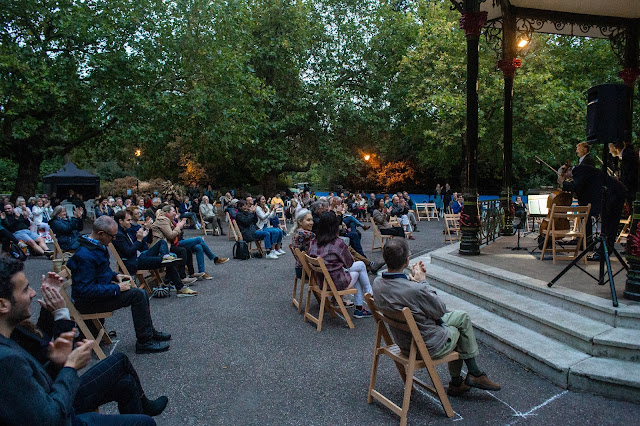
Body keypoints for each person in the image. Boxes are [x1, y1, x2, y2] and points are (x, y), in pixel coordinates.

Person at [0, 257, 162, 424]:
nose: (33, 293)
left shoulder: (10, 331)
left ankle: (144, 406)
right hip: (60, 404)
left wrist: (51, 310)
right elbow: (50, 416)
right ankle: (145, 407)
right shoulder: (7, 359)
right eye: (26, 290)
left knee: (126, 383)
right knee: (142, 417)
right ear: (3, 305)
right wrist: (69, 366)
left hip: (53, 393)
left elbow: (38, 349)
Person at [371, 238, 501, 396]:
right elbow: (440, 310)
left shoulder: (377, 283)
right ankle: (466, 377)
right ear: (406, 261)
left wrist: (413, 283)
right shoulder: (416, 291)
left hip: (403, 341)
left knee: (461, 317)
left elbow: (403, 294)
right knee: (460, 326)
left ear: (385, 259)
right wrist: (422, 282)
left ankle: (464, 380)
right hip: (425, 345)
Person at [66, 216, 171, 354]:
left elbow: (100, 271)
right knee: (138, 295)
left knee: (141, 293)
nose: (114, 239)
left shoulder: (95, 246)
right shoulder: (85, 255)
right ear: (101, 234)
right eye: (112, 236)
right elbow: (84, 290)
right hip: (88, 302)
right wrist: (116, 288)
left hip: (97, 295)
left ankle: (149, 333)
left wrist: (115, 276)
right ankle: (144, 342)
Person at [113, 210, 197, 297]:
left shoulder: (125, 230)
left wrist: (147, 232)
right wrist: (139, 240)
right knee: (169, 262)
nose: (130, 222)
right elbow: (129, 252)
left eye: (130, 220)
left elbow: (144, 243)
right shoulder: (119, 235)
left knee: (161, 242)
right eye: (128, 220)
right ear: (120, 221)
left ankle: (166, 256)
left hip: (139, 256)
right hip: (134, 261)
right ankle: (180, 288)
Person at [309, 211, 373, 318]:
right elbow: (349, 264)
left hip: (321, 281)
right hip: (335, 283)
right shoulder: (338, 243)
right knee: (359, 267)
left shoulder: (313, 241)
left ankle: (363, 302)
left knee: (359, 268)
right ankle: (366, 299)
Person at [559, 163, 626, 260]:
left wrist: (563, 183)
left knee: (609, 225)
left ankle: (604, 252)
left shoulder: (579, 170)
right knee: (609, 225)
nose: (565, 178)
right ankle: (604, 251)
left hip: (613, 194)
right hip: (612, 194)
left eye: (564, 175)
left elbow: (576, 187)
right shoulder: (581, 171)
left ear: (567, 171)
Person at [152, 205, 227, 279]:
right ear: (167, 213)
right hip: (172, 244)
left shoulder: (171, 220)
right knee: (199, 239)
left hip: (177, 241)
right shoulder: (163, 220)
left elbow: (178, 234)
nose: (175, 213)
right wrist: (179, 226)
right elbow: (171, 236)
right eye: (173, 211)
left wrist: (179, 225)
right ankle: (214, 258)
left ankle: (202, 272)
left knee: (198, 247)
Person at [290, 209, 315, 279]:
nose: (311, 222)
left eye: (312, 220)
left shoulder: (297, 232)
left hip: (299, 268)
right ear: (300, 222)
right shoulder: (307, 234)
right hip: (306, 270)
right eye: (308, 220)